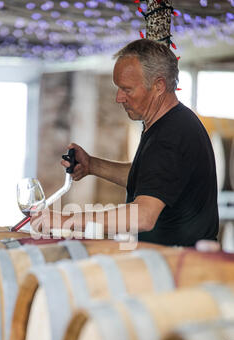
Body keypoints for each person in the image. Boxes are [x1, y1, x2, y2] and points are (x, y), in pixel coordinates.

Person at [31, 39, 219, 246]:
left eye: (127, 89)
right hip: (171, 262)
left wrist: (63, 220)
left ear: (158, 86)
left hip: (181, 268)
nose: (119, 98)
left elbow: (143, 216)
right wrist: (93, 165)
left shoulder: (171, 135)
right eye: (118, 88)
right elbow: (153, 179)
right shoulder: (171, 123)